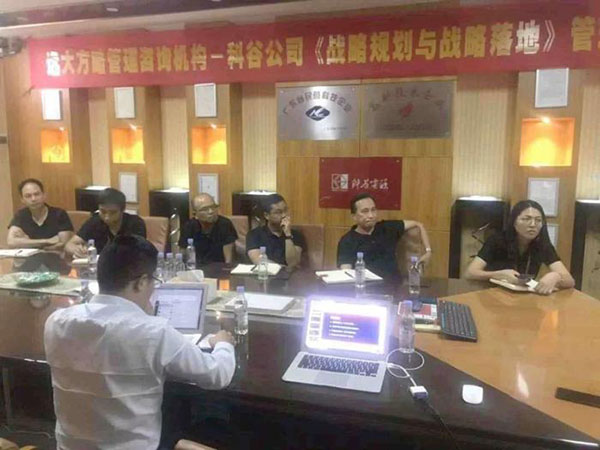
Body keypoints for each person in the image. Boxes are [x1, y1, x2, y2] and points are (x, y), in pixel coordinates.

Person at [44, 235, 235, 449]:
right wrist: (223, 343)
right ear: (142, 282)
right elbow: (218, 375)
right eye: (154, 281)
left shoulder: (56, 321)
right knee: (196, 411)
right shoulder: (153, 332)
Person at [465, 199, 574, 295]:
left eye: (538, 220)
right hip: (492, 294)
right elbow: (470, 273)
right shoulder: (497, 240)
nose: (533, 224)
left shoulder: (542, 244)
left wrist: (556, 276)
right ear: (514, 222)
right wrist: (498, 274)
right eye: (526, 219)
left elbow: (570, 281)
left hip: (523, 297)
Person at [337, 192, 432, 279]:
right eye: (365, 211)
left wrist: (428, 252)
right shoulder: (347, 241)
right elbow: (346, 273)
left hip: (395, 287)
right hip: (367, 288)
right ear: (354, 216)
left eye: (373, 210)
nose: (371, 215)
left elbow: (418, 225)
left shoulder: (387, 228)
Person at [65, 187, 146, 257]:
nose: (107, 217)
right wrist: (77, 250)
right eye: (103, 211)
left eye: (113, 213)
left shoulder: (135, 223)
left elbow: (140, 252)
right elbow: (69, 245)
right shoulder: (95, 221)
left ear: (122, 210)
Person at [7, 178, 73, 251]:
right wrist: (47, 241)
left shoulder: (59, 214)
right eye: (28, 196)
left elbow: (62, 244)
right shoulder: (20, 215)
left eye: (37, 194)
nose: (33, 199)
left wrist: (27, 242)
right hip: (28, 258)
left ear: (44, 195)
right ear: (22, 200)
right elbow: (11, 243)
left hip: (55, 256)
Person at [246, 193, 305, 269]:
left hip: (290, 275)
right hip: (266, 274)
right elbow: (258, 260)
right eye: (278, 212)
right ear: (266, 215)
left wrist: (288, 235)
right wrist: (281, 269)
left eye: (285, 210)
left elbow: (293, 263)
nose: (284, 215)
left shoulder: (296, 235)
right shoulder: (254, 235)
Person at [179, 193, 238, 265]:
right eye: (205, 209)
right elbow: (183, 256)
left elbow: (228, 260)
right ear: (195, 214)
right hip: (195, 268)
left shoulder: (225, 224)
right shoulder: (189, 226)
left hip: (219, 267)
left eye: (213, 207)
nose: (211, 211)